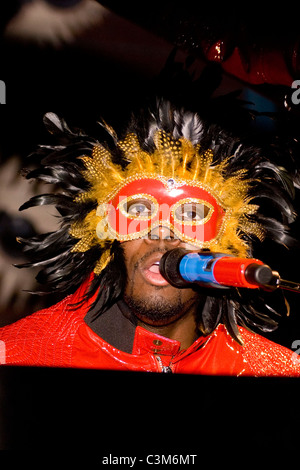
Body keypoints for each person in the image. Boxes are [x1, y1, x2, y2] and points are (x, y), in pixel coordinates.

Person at [0, 100, 299, 376]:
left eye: (192, 214)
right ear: (104, 225)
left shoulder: (276, 372)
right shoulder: (17, 356)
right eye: (139, 208)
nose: (163, 231)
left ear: (225, 237)